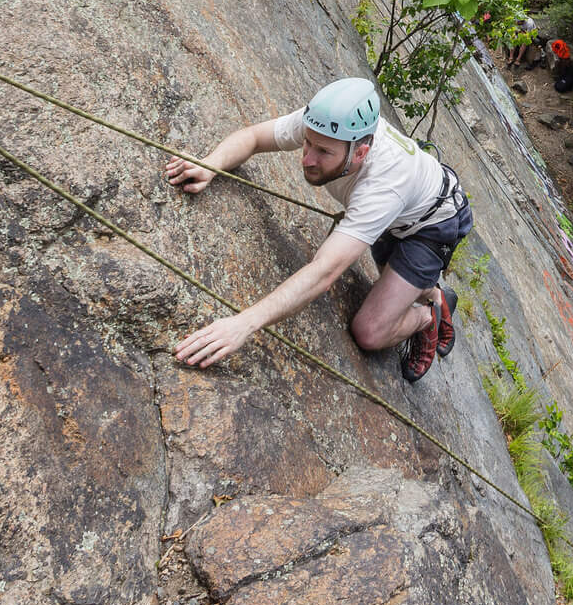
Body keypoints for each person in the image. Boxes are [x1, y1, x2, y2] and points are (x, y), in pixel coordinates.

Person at [166, 77, 472, 385]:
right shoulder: (326, 124)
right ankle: (432, 291)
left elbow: (324, 273)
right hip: (402, 210)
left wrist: (244, 324)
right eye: (307, 143)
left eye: (323, 152)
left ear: (361, 152)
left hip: (433, 225)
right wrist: (210, 164)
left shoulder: (383, 187)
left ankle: (427, 315)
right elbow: (254, 137)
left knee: (369, 331)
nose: (307, 159)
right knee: (398, 281)